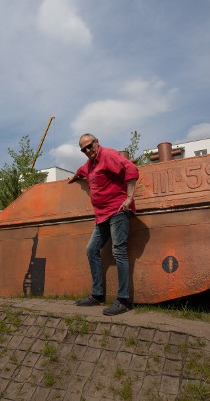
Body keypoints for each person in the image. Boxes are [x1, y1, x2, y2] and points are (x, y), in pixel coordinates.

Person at [68, 133, 139, 315]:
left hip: (117, 212)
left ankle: (123, 300)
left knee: (118, 251)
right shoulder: (90, 164)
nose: (87, 150)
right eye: (83, 149)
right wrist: (75, 177)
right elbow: (82, 171)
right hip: (102, 216)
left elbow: (131, 169)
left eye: (90, 146)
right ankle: (98, 295)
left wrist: (129, 198)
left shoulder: (108, 155)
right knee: (91, 249)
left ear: (97, 142)